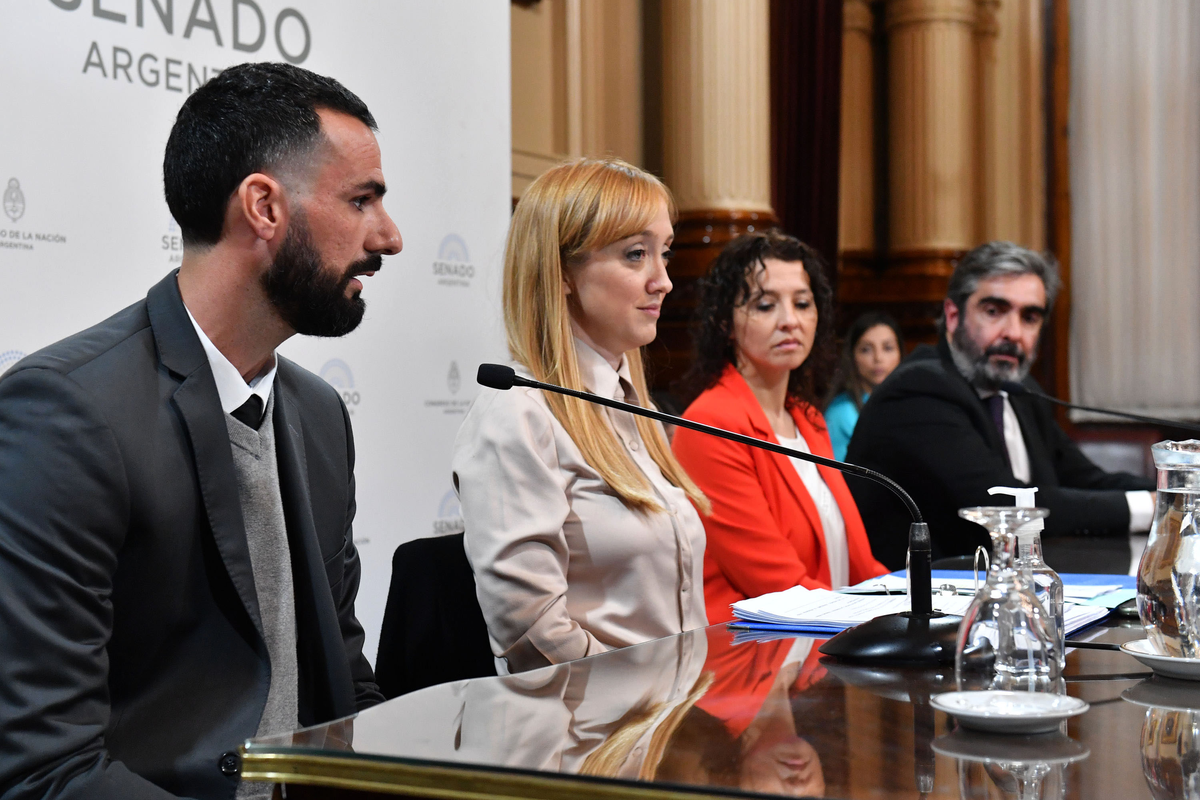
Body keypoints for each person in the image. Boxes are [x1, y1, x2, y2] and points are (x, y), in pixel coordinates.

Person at [0, 63, 402, 800]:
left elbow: (342, 680)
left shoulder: (318, 415)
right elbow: (43, 769)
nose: (391, 236)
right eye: (361, 200)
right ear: (263, 207)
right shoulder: (66, 415)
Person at [452, 158, 710, 675]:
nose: (663, 282)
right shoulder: (518, 414)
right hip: (589, 738)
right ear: (563, 273)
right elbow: (531, 632)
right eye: (636, 255)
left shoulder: (635, 406)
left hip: (673, 727)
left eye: (664, 254)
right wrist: (649, 703)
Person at [846, 241, 1155, 572]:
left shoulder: (1019, 393)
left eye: (1030, 317)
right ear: (953, 316)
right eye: (994, 311)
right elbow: (1005, 506)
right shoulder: (919, 391)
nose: (1013, 333)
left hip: (998, 591)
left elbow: (1084, 479)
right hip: (912, 603)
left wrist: (1176, 494)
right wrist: (1150, 507)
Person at [672, 232, 888, 624]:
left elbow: (861, 566)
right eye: (766, 305)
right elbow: (779, 586)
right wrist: (882, 616)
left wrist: (915, 609)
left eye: (803, 304)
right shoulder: (710, 425)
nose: (790, 321)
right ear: (726, 323)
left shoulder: (808, 418)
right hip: (756, 663)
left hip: (828, 644)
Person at [823, 312, 904, 460]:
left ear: (900, 353)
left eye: (888, 348)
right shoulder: (840, 413)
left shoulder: (910, 402)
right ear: (852, 356)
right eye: (866, 349)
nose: (878, 358)